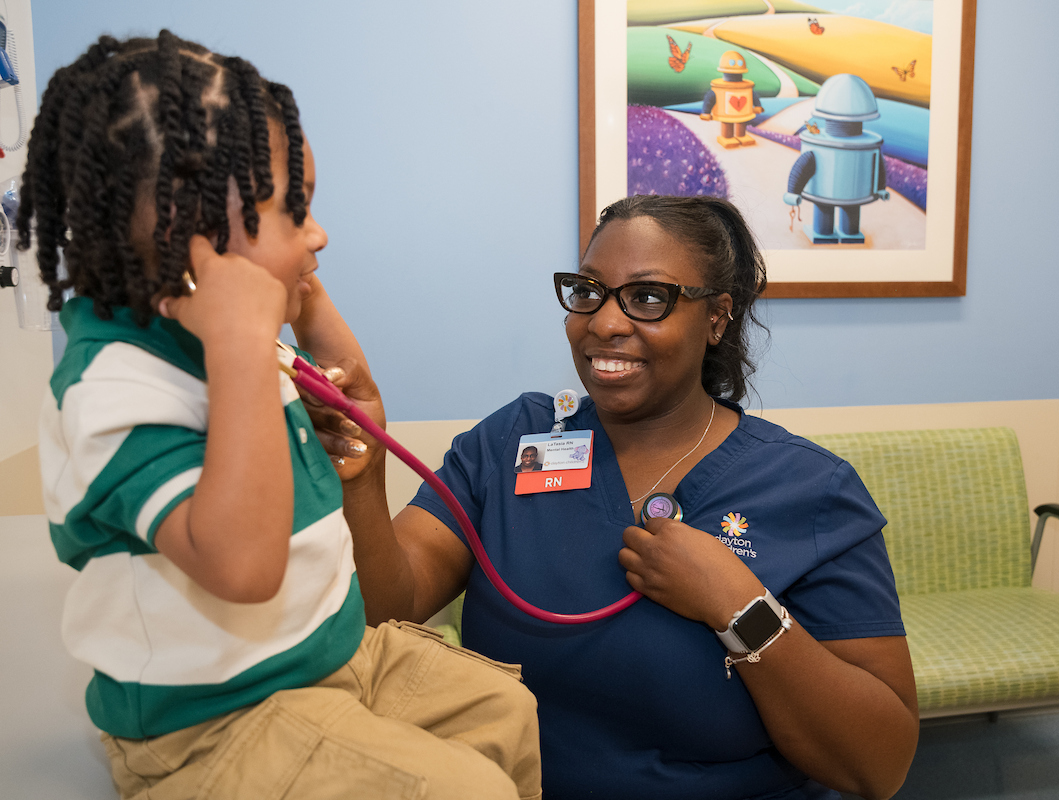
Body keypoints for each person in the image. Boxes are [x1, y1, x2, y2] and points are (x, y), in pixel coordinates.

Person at [28, 32, 540, 800]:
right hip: (212, 723)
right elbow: (241, 567)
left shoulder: (221, 325)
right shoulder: (118, 384)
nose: (319, 231)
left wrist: (304, 290)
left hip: (328, 657)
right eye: (292, 211)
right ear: (187, 236)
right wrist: (240, 347)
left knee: (506, 711)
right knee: (468, 791)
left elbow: (346, 380)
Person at [324, 195, 919, 800]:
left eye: (648, 297)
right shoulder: (510, 443)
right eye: (589, 291)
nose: (604, 322)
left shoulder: (809, 488)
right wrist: (361, 477)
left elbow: (879, 765)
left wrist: (740, 607)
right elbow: (381, 610)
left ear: (717, 317)